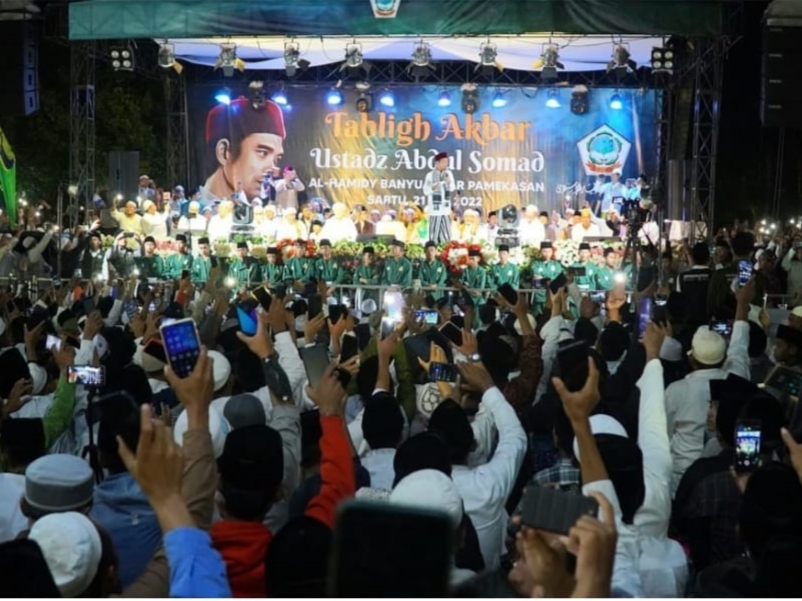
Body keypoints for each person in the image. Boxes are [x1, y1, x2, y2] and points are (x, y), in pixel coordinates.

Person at [201, 96, 286, 204]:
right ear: (224, 152)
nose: (272, 168)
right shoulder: (197, 211)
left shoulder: (259, 211)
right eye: (262, 153)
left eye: (276, 159)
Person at [676, 241, 712, 328]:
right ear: (709, 258)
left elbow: (679, 301)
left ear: (692, 258)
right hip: (709, 324)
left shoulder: (681, 277)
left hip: (688, 325)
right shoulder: (714, 275)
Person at [422, 151, 455, 244]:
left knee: (446, 235)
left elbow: (452, 188)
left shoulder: (448, 174)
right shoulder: (430, 175)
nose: (446, 164)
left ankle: (445, 252)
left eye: (447, 162)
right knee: (434, 236)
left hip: (445, 210)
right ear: (438, 162)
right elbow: (426, 190)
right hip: (435, 210)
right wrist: (438, 184)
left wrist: (448, 182)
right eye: (444, 162)